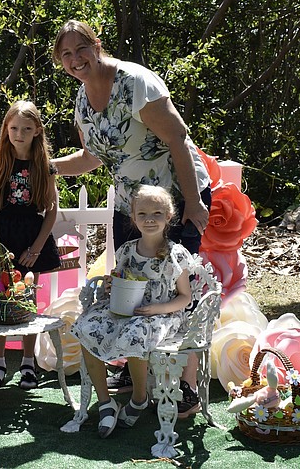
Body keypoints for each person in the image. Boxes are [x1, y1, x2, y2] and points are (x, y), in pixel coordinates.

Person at [50, 20, 211, 417]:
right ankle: (135, 369)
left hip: (172, 200)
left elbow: (177, 138)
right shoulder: (82, 99)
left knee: (176, 286)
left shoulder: (136, 82)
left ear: (96, 45)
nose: (74, 60)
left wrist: (192, 202)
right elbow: (92, 157)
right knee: (134, 286)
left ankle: (185, 386)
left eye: (79, 50)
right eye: (65, 56)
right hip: (131, 207)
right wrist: (46, 167)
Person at [71, 185, 194, 436]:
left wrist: (158, 308)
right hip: (127, 309)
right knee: (86, 327)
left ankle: (139, 398)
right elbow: (120, 279)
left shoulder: (175, 254)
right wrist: (110, 285)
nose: (149, 219)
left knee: (135, 334)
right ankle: (106, 401)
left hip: (162, 314)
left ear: (169, 216)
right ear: (134, 218)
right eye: (143, 214)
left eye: (157, 214)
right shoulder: (127, 250)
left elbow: (185, 297)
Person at [0, 100, 61, 390]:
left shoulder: (45, 167)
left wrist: (36, 249)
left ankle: (27, 363)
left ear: (37, 130)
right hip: (2, 234)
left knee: (27, 299)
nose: (19, 134)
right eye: (13, 128)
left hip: (30, 237)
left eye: (26, 128)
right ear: (6, 129)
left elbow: (50, 210)